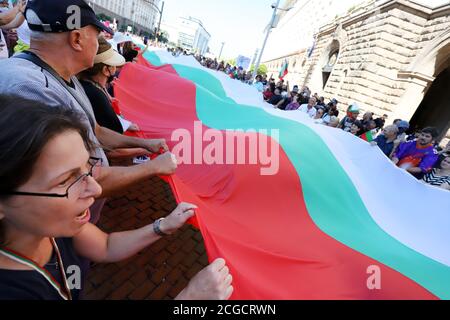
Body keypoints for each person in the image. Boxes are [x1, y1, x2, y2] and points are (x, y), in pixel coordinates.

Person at [0, 100, 234, 300]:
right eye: (66, 181)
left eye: (87, 168)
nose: (94, 188)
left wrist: (163, 226)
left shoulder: (53, 227)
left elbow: (105, 245)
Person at [0, 0, 177, 224]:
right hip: (53, 231)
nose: (100, 44)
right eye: (97, 36)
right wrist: (153, 167)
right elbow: (84, 180)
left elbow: (95, 130)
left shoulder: (62, 75)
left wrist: (145, 145)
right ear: (76, 39)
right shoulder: (33, 90)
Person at [79, 36, 138, 134]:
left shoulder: (88, 84)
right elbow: (116, 128)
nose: (116, 68)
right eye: (114, 65)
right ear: (106, 70)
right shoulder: (96, 94)